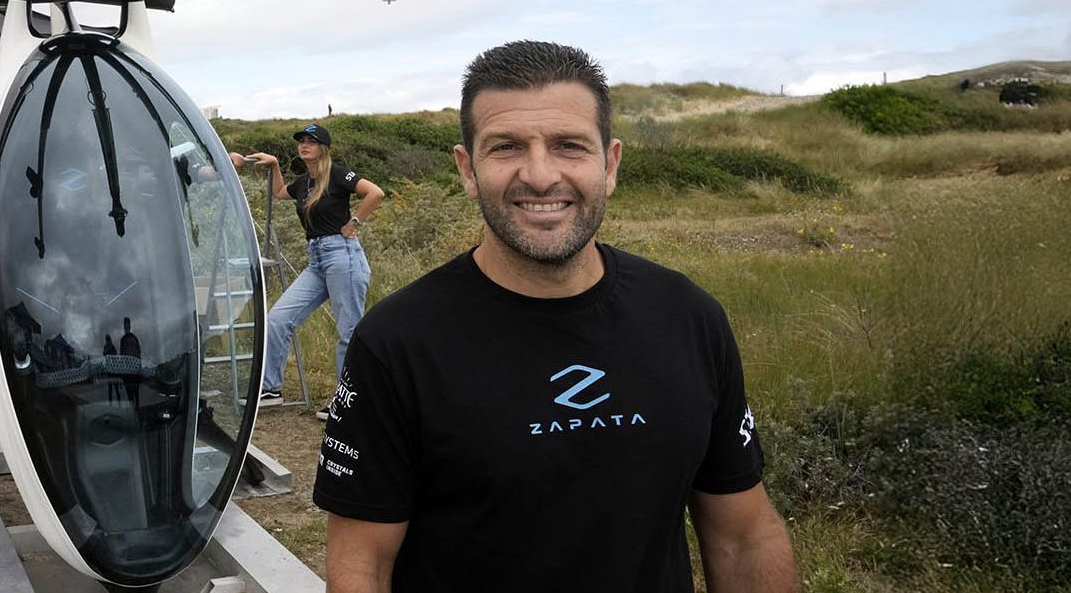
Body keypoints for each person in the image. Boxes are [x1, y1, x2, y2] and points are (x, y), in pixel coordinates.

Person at [312, 41, 796, 592]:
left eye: (569, 146)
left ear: (609, 164)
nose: (540, 176)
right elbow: (361, 567)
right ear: (468, 170)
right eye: (507, 147)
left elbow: (744, 537)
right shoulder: (395, 344)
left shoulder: (689, 317)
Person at [233, 122, 384, 418]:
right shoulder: (303, 182)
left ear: (322, 147)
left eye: (311, 141)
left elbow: (375, 193)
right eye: (301, 141)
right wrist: (275, 163)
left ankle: (348, 401)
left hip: (343, 257)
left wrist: (355, 223)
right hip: (317, 260)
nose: (304, 145)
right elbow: (278, 193)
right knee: (277, 319)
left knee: (349, 331)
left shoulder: (338, 174)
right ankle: (270, 389)